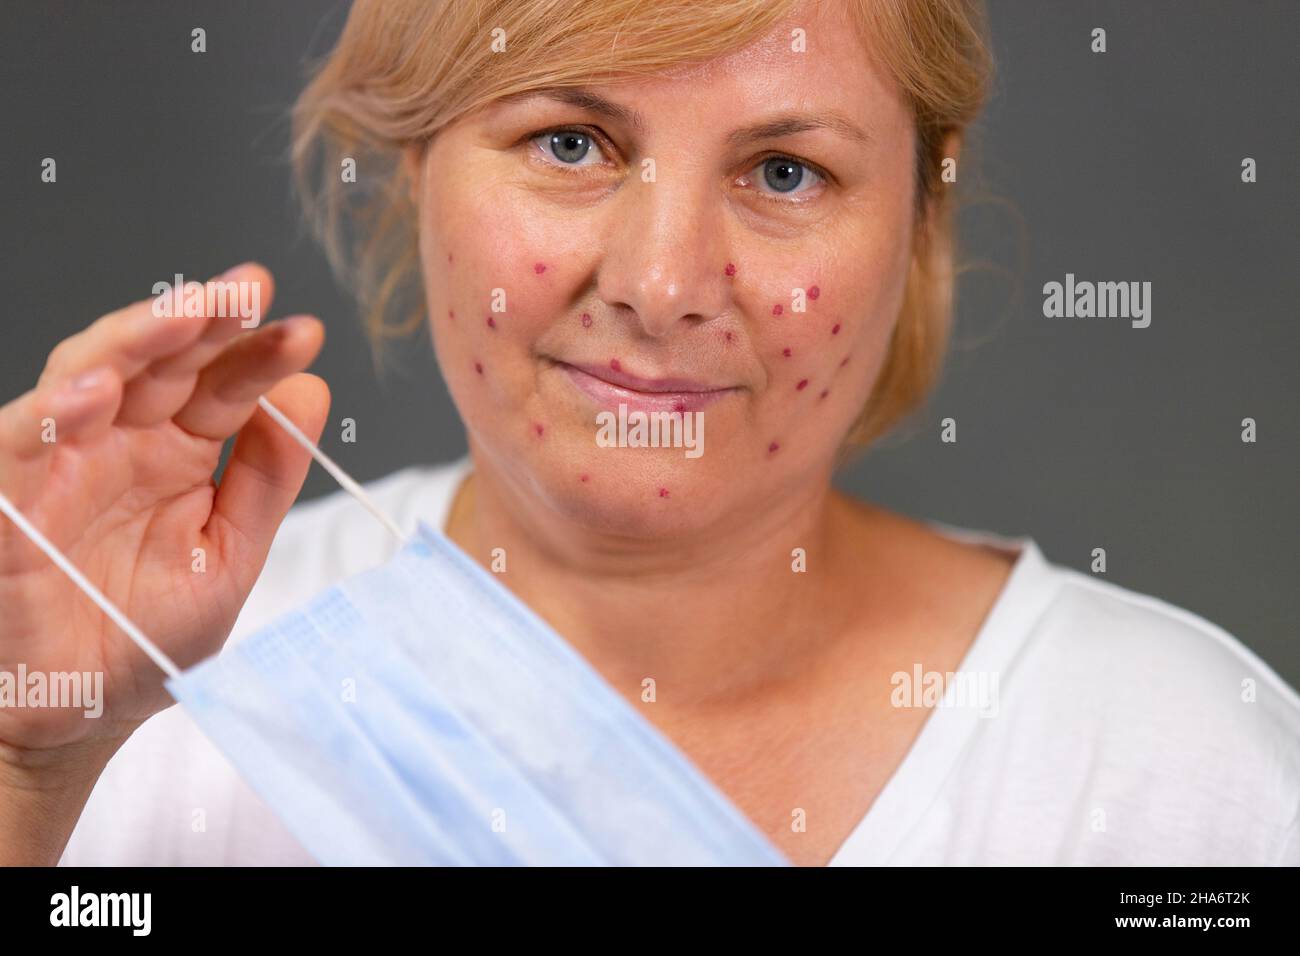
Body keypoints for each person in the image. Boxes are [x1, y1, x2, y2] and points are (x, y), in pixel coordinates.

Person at [1, 0, 1296, 867]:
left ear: (919, 212)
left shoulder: (1181, 774)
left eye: (785, 172)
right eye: (571, 142)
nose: (664, 280)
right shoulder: (149, 698)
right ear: (414, 169)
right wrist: (27, 769)